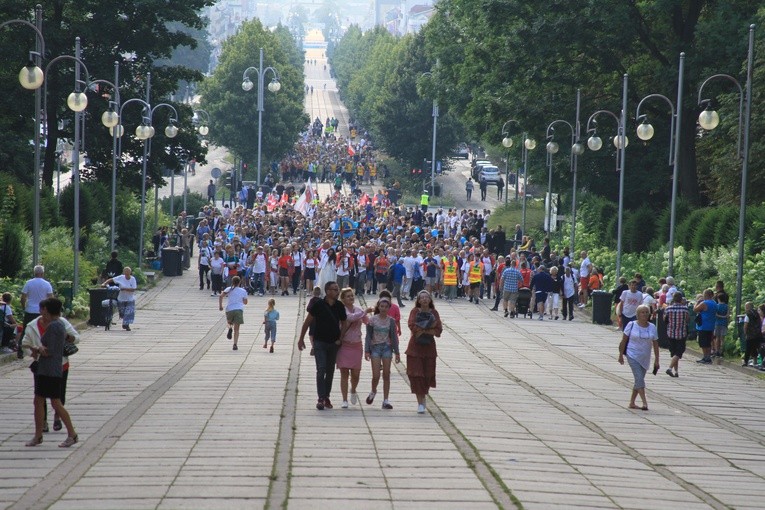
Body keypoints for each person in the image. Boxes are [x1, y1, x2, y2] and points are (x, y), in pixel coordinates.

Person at [24, 298, 78, 447]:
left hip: (51, 369)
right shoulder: (57, 325)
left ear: (47, 310)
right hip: (46, 369)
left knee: (56, 403)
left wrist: (38, 349)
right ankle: (38, 434)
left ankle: (72, 434)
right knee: (39, 401)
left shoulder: (55, 326)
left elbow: (52, 351)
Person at [298, 281, 347, 410]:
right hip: (319, 342)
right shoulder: (318, 304)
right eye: (335, 290)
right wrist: (301, 338)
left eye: (338, 289)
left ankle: (326, 396)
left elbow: (344, 323)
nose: (337, 292)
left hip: (333, 343)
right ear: (328, 291)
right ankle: (321, 397)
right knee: (321, 369)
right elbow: (307, 321)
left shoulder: (339, 306)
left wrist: (340, 339)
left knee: (330, 371)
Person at [406, 290, 442, 414]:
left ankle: (424, 395)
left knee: (427, 374)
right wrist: (427, 328)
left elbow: (438, 330)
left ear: (430, 300)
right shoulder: (414, 312)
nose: (425, 300)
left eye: (427, 297)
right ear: (418, 300)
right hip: (415, 348)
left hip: (429, 348)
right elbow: (412, 325)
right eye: (422, 298)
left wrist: (425, 330)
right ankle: (420, 402)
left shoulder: (434, 313)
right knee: (417, 375)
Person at [618, 304, 659, 411]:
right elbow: (624, 340)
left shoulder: (652, 327)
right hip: (632, 355)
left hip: (645, 357)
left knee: (638, 380)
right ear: (637, 314)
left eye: (646, 312)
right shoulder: (631, 325)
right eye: (642, 312)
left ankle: (632, 402)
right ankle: (645, 403)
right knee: (639, 378)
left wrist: (657, 360)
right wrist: (621, 355)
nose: (645, 314)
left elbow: (655, 344)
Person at [365, 297, 400, 410]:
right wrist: (367, 350)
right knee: (376, 375)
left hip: (387, 348)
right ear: (378, 307)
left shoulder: (391, 321)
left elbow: (394, 337)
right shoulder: (372, 320)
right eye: (381, 306)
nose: (383, 309)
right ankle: (373, 391)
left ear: (389, 308)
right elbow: (368, 336)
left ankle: (386, 400)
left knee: (386, 374)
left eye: (386, 307)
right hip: (375, 348)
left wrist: (397, 352)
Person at [337, 288, 368, 408]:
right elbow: (350, 318)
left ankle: (353, 389)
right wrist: (365, 311)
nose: (351, 298)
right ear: (343, 299)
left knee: (356, 374)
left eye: (352, 296)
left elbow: (368, 322)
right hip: (344, 345)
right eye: (348, 296)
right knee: (344, 373)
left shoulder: (359, 310)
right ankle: (344, 400)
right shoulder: (342, 310)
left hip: (356, 345)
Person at [19, 265, 54, 359]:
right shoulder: (47, 284)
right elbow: (51, 298)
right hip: (43, 311)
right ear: (42, 273)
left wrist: (24, 307)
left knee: (25, 330)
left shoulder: (28, 283)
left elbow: (23, 297)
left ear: (34, 273)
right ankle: (45, 348)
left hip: (30, 310)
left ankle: (20, 351)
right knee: (44, 330)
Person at [101, 267, 137, 331]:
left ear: (130, 273)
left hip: (130, 299)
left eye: (128, 274)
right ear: (123, 273)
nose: (126, 275)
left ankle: (126, 325)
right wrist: (105, 283)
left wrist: (125, 289)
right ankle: (125, 323)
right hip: (121, 298)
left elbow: (133, 289)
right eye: (125, 273)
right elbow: (111, 279)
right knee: (122, 313)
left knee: (128, 312)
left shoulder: (133, 279)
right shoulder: (121, 277)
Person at [219, 275, 248, 350]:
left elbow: (221, 296)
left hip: (229, 309)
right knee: (237, 329)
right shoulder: (243, 291)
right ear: (240, 282)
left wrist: (220, 306)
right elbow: (245, 302)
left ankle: (229, 328)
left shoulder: (229, 289)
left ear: (232, 282)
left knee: (229, 323)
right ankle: (235, 344)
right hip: (239, 309)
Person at [664, 292, 689, 377]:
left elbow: (665, 320)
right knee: (679, 352)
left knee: (674, 353)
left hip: (671, 333)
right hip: (681, 333)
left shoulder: (668, 309)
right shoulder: (685, 309)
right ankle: (670, 368)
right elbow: (688, 320)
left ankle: (676, 372)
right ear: (681, 299)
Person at [693, 289, 717, 364]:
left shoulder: (704, 303)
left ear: (706, 295)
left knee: (703, 342)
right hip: (711, 325)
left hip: (703, 325)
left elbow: (695, 309)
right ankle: (708, 357)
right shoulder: (714, 303)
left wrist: (697, 302)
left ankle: (705, 356)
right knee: (708, 342)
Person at [742, 301, 762, 367]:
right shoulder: (757, 313)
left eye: (745, 307)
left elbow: (746, 324)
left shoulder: (748, 314)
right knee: (756, 347)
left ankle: (745, 361)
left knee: (748, 348)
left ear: (747, 307)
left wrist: (745, 333)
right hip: (758, 333)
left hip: (750, 334)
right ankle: (755, 361)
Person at [713, 292, 730, 358]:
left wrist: (720, 316)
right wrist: (724, 317)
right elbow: (728, 315)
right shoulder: (727, 306)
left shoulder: (716, 306)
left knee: (717, 338)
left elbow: (715, 314)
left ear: (718, 299)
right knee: (723, 338)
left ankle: (717, 351)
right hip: (724, 323)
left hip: (717, 323)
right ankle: (722, 351)